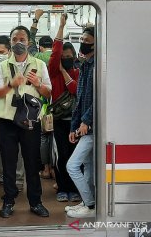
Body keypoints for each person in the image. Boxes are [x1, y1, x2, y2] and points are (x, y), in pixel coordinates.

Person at [0, 25, 51, 218]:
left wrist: (37, 83)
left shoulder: (39, 65)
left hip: (30, 122)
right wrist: (12, 84)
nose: (19, 43)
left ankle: (36, 202)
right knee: (9, 163)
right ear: (10, 42)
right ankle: (9, 201)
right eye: (15, 40)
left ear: (29, 42)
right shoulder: (2, 66)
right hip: (7, 121)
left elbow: (48, 93)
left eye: (22, 40)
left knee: (32, 163)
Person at [0, 36, 25, 189]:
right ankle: (3, 175)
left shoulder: (15, 66)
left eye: (2, 51)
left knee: (15, 147)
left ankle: (19, 179)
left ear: (9, 51)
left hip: (11, 111)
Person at [48, 14, 81, 203]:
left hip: (76, 122)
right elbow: (56, 50)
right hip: (60, 121)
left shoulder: (78, 72)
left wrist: (64, 71)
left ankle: (74, 188)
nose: (66, 59)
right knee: (61, 155)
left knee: (75, 156)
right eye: (64, 57)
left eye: (69, 57)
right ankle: (63, 187)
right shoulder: (52, 71)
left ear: (74, 58)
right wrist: (61, 26)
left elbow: (75, 90)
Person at [66, 26, 96, 218]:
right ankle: (87, 202)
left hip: (93, 127)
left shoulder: (97, 66)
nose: (83, 43)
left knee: (72, 165)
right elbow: (80, 99)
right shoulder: (85, 65)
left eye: (87, 41)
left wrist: (86, 121)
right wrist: (74, 126)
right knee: (87, 166)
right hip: (84, 125)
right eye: (82, 40)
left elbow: (98, 99)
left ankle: (91, 205)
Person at [28, 9, 54, 180]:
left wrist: (35, 20)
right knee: (58, 139)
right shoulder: (59, 56)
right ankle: (55, 170)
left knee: (44, 137)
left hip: (44, 102)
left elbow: (29, 43)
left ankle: (45, 168)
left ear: (42, 46)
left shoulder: (38, 57)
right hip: (62, 103)